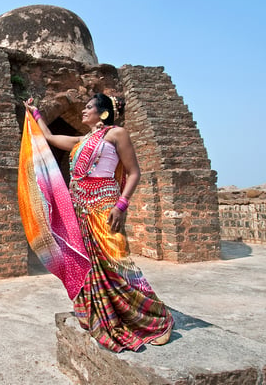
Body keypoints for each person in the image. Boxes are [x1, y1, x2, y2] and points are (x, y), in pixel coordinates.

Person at [24, 93, 173, 352]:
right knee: (87, 262)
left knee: (118, 263)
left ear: (103, 113)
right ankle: (101, 312)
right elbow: (48, 138)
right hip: (80, 209)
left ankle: (156, 319)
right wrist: (35, 112)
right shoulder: (83, 140)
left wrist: (122, 205)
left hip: (105, 207)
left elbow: (135, 171)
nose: (83, 111)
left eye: (89, 108)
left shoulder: (116, 134)